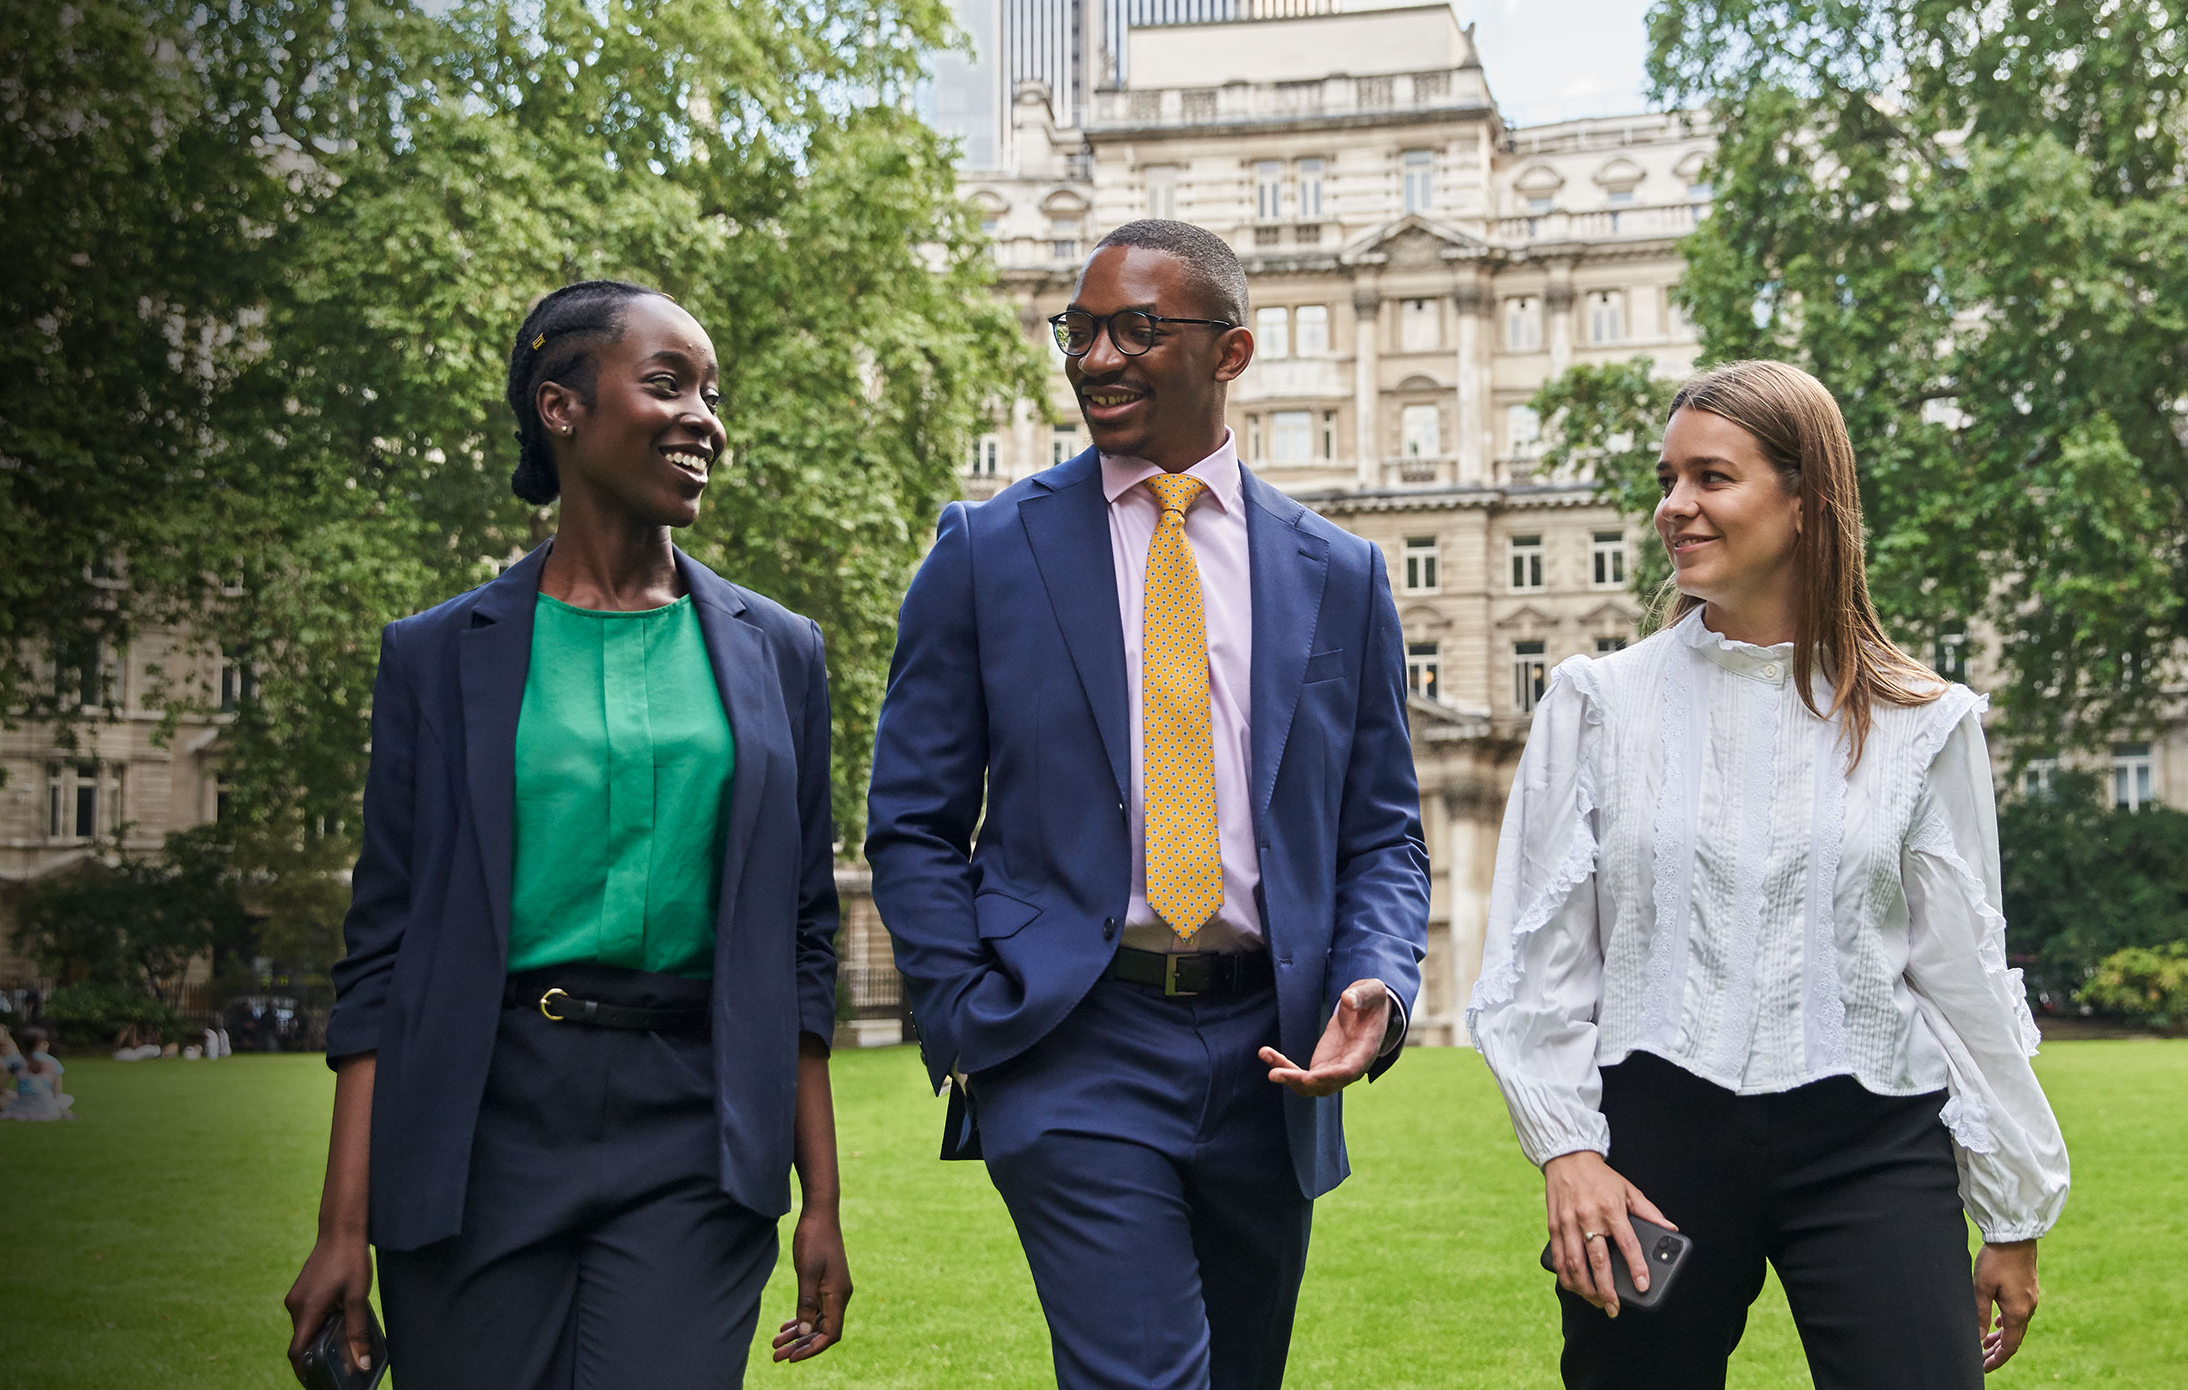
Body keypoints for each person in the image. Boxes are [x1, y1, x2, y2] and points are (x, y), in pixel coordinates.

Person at [866, 220, 1431, 1390]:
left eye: (1135, 330)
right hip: (1074, 1039)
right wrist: (966, 1009)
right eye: (1078, 331)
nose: (1095, 358)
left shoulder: (1342, 572)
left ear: (1232, 352)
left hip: (1272, 1054)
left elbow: (1380, 830)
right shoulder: (984, 550)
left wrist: (1378, 977)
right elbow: (913, 820)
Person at [284, 281, 850, 1389]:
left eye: (713, 395)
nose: (704, 420)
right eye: (668, 384)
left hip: (695, 1127)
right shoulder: (434, 655)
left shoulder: (782, 651)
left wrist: (821, 1200)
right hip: (477, 1126)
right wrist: (342, 1225)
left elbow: (802, 939)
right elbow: (382, 954)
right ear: (561, 407)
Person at [1468, 360, 2068, 1389]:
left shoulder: (1927, 723)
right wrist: (1568, 1152)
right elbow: (1542, 958)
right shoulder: (1596, 704)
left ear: (1805, 501)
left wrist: (2012, 1214)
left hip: (1874, 1143)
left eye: (1711, 477)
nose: (1674, 506)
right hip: (1650, 1152)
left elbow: (1962, 976)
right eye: (1667, 479)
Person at [0, 1026, 73, 1121]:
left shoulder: (15, 1061)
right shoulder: (53, 1062)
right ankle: (61, 1110)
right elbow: (56, 1094)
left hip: (22, 1104)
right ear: (42, 1044)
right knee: (67, 1098)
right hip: (47, 1107)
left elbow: (1, 1090)